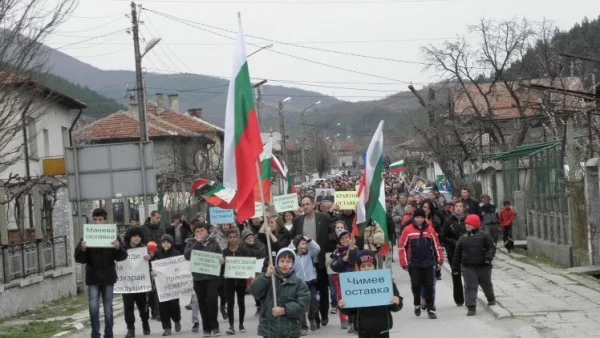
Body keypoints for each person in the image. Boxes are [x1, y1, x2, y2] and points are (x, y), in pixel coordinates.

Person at [74, 208, 128, 338]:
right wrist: (82, 249)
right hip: (93, 277)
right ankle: (95, 334)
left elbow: (123, 256)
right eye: (95, 219)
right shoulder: (87, 236)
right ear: (92, 220)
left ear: (105, 220)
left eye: (100, 219)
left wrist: (118, 248)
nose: (97, 222)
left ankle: (109, 334)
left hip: (108, 277)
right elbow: (79, 259)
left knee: (108, 309)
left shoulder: (113, 235)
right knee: (93, 307)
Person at [338, 250, 403, 338]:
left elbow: (395, 307)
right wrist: (343, 306)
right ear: (359, 268)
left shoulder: (385, 282)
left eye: (369, 265)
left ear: (374, 266)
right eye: (363, 266)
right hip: (363, 330)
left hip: (382, 329)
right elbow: (350, 311)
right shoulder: (354, 285)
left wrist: (397, 301)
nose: (367, 268)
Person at [291, 196, 334, 327]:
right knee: (310, 292)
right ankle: (314, 317)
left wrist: (330, 255)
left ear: (313, 205)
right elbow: (293, 239)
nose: (305, 206)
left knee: (323, 289)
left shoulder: (324, 218)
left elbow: (331, 235)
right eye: (303, 205)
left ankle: (324, 314)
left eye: (308, 204)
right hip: (305, 261)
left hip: (320, 260)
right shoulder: (297, 220)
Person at [249, 248, 310, 338]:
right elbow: (255, 292)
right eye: (282, 261)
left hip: (290, 331)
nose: (285, 264)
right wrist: (266, 276)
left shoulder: (299, 283)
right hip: (269, 330)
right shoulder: (268, 279)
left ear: (293, 264)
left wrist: (284, 310)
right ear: (277, 262)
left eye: (289, 261)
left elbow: (303, 305)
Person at [398, 208, 443, 320]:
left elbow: (436, 245)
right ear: (414, 218)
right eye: (417, 217)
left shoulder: (430, 230)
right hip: (414, 263)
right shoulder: (408, 230)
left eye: (421, 217)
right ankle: (417, 304)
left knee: (429, 286)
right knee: (416, 285)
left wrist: (439, 260)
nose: (419, 219)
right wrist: (404, 262)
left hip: (428, 262)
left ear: (424, 218)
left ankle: (430, 308)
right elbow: (401, 247)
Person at [452, 214, 496, 316]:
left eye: (470, 224)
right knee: (471, 286)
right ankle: (471, 307)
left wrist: (488, 257)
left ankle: (491, 298)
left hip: (483, 266)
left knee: (486, 284)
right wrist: (455, 267)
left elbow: (491, 248)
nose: (467, 225)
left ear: (475, 224)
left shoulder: (484, 235)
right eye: (466, 223)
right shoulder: (462, 238)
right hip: (468, 267)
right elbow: (457, 254)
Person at [184, 221, 223, 337]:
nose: (200, 233)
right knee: (202, 303)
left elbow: (220, 254)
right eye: (197, 231)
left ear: (207, 231)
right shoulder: (191, 242)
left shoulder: (213, 242)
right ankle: (206, 329)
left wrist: (222, 260)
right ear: (194, 233)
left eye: (202, 230)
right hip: (198, 279)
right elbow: (187, 255)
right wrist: (198, 243)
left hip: (212, 277)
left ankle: (215, 327)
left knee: (212, 301)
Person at [122, 227, 152, 337]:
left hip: (141, 283)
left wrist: (149, 258)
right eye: (134, 236)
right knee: (128, 306)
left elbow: (150, 265)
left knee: (142, 305)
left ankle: (145, 322)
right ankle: (130, 328)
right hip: (127, 283)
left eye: (139, 236)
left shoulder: (144, 249)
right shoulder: (123, 250)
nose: (137, 238)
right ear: (130, 237)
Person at [151, 234, 182, 336]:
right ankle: (167, 328)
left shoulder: (176, 253)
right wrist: (152, 271)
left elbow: (181, 267)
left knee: (174, 305)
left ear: (171, 243)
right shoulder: (157, 254)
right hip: (161, 286)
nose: (165, 244)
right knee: (163, 307)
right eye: (163, 242)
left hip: (173, 285)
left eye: (168, 242)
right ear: (161, 243)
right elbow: (151, 264)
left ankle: (177, 320)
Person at [222, 230, 250, 335]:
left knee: (241, 302)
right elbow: (222, 268)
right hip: (228, 281)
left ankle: (241, 325)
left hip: (241, 281)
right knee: (230, 304)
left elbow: (248, 265)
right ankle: (231, 325)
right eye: (230, 237)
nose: (232, 239)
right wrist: (222, 263)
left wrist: (249, 274)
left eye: (234, 237)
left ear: (237, 238)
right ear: (227, 239)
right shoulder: (224, 252)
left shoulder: (243, 251)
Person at [330, 230, 358, 332]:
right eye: (342, 238)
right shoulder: (337, 252)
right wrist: (342, 260)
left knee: (356, 302)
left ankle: (356, 323)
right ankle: (350, 322)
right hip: (343, 280)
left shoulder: (355, 248)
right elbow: (334, 266)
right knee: (347, 302)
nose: (345, 240)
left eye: (347, 237)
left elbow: (355, 260)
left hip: (355, 279)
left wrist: (351, 249)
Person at [292, 235, 321, 335]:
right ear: (296, 246)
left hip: (311, 281)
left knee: (313, 301)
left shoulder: (310, 254)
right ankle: (303, 326)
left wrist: (309, 240)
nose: (305, 246)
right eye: (302, 244)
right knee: (301, 305)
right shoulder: (293, 257)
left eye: (305, 244)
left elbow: (317, 248)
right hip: (299, 284)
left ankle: (311, 317)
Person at [442, 200, 467, 306]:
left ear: (464, 208)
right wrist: (453, 243)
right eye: (456, 206)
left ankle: (470, 297)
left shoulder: (468, 219)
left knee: (469, 275)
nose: (458, 208)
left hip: (467, 252)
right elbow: (444, 236)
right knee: (456, 276)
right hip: (454, 252)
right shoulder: (449, 220)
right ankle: (459, 299)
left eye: (460, 206)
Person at [142, 210, 165, 320]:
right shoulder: (143, 229)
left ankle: (159, 311)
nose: (159, 220)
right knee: (149, 288)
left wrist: (158, 249)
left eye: (160, 218)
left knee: (157, 287)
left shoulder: (161, 230)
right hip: (146, 261)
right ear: (151, 217)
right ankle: (153, 310)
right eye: (157, 217)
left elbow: (163, 243)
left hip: (158, 260)